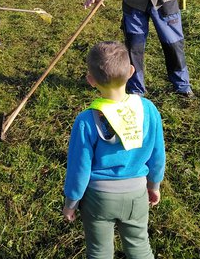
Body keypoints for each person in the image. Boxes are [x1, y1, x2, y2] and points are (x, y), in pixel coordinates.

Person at [62, 41, 165, 259]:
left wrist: (71, 202)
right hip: (137, 194)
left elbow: (78, 169)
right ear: (131, 71)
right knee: (139, 246)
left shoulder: (86, 121)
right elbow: (158, 155)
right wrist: (154, 185)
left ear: (90, 80)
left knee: (99, 251)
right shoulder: (149, 110)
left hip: (98, 198)